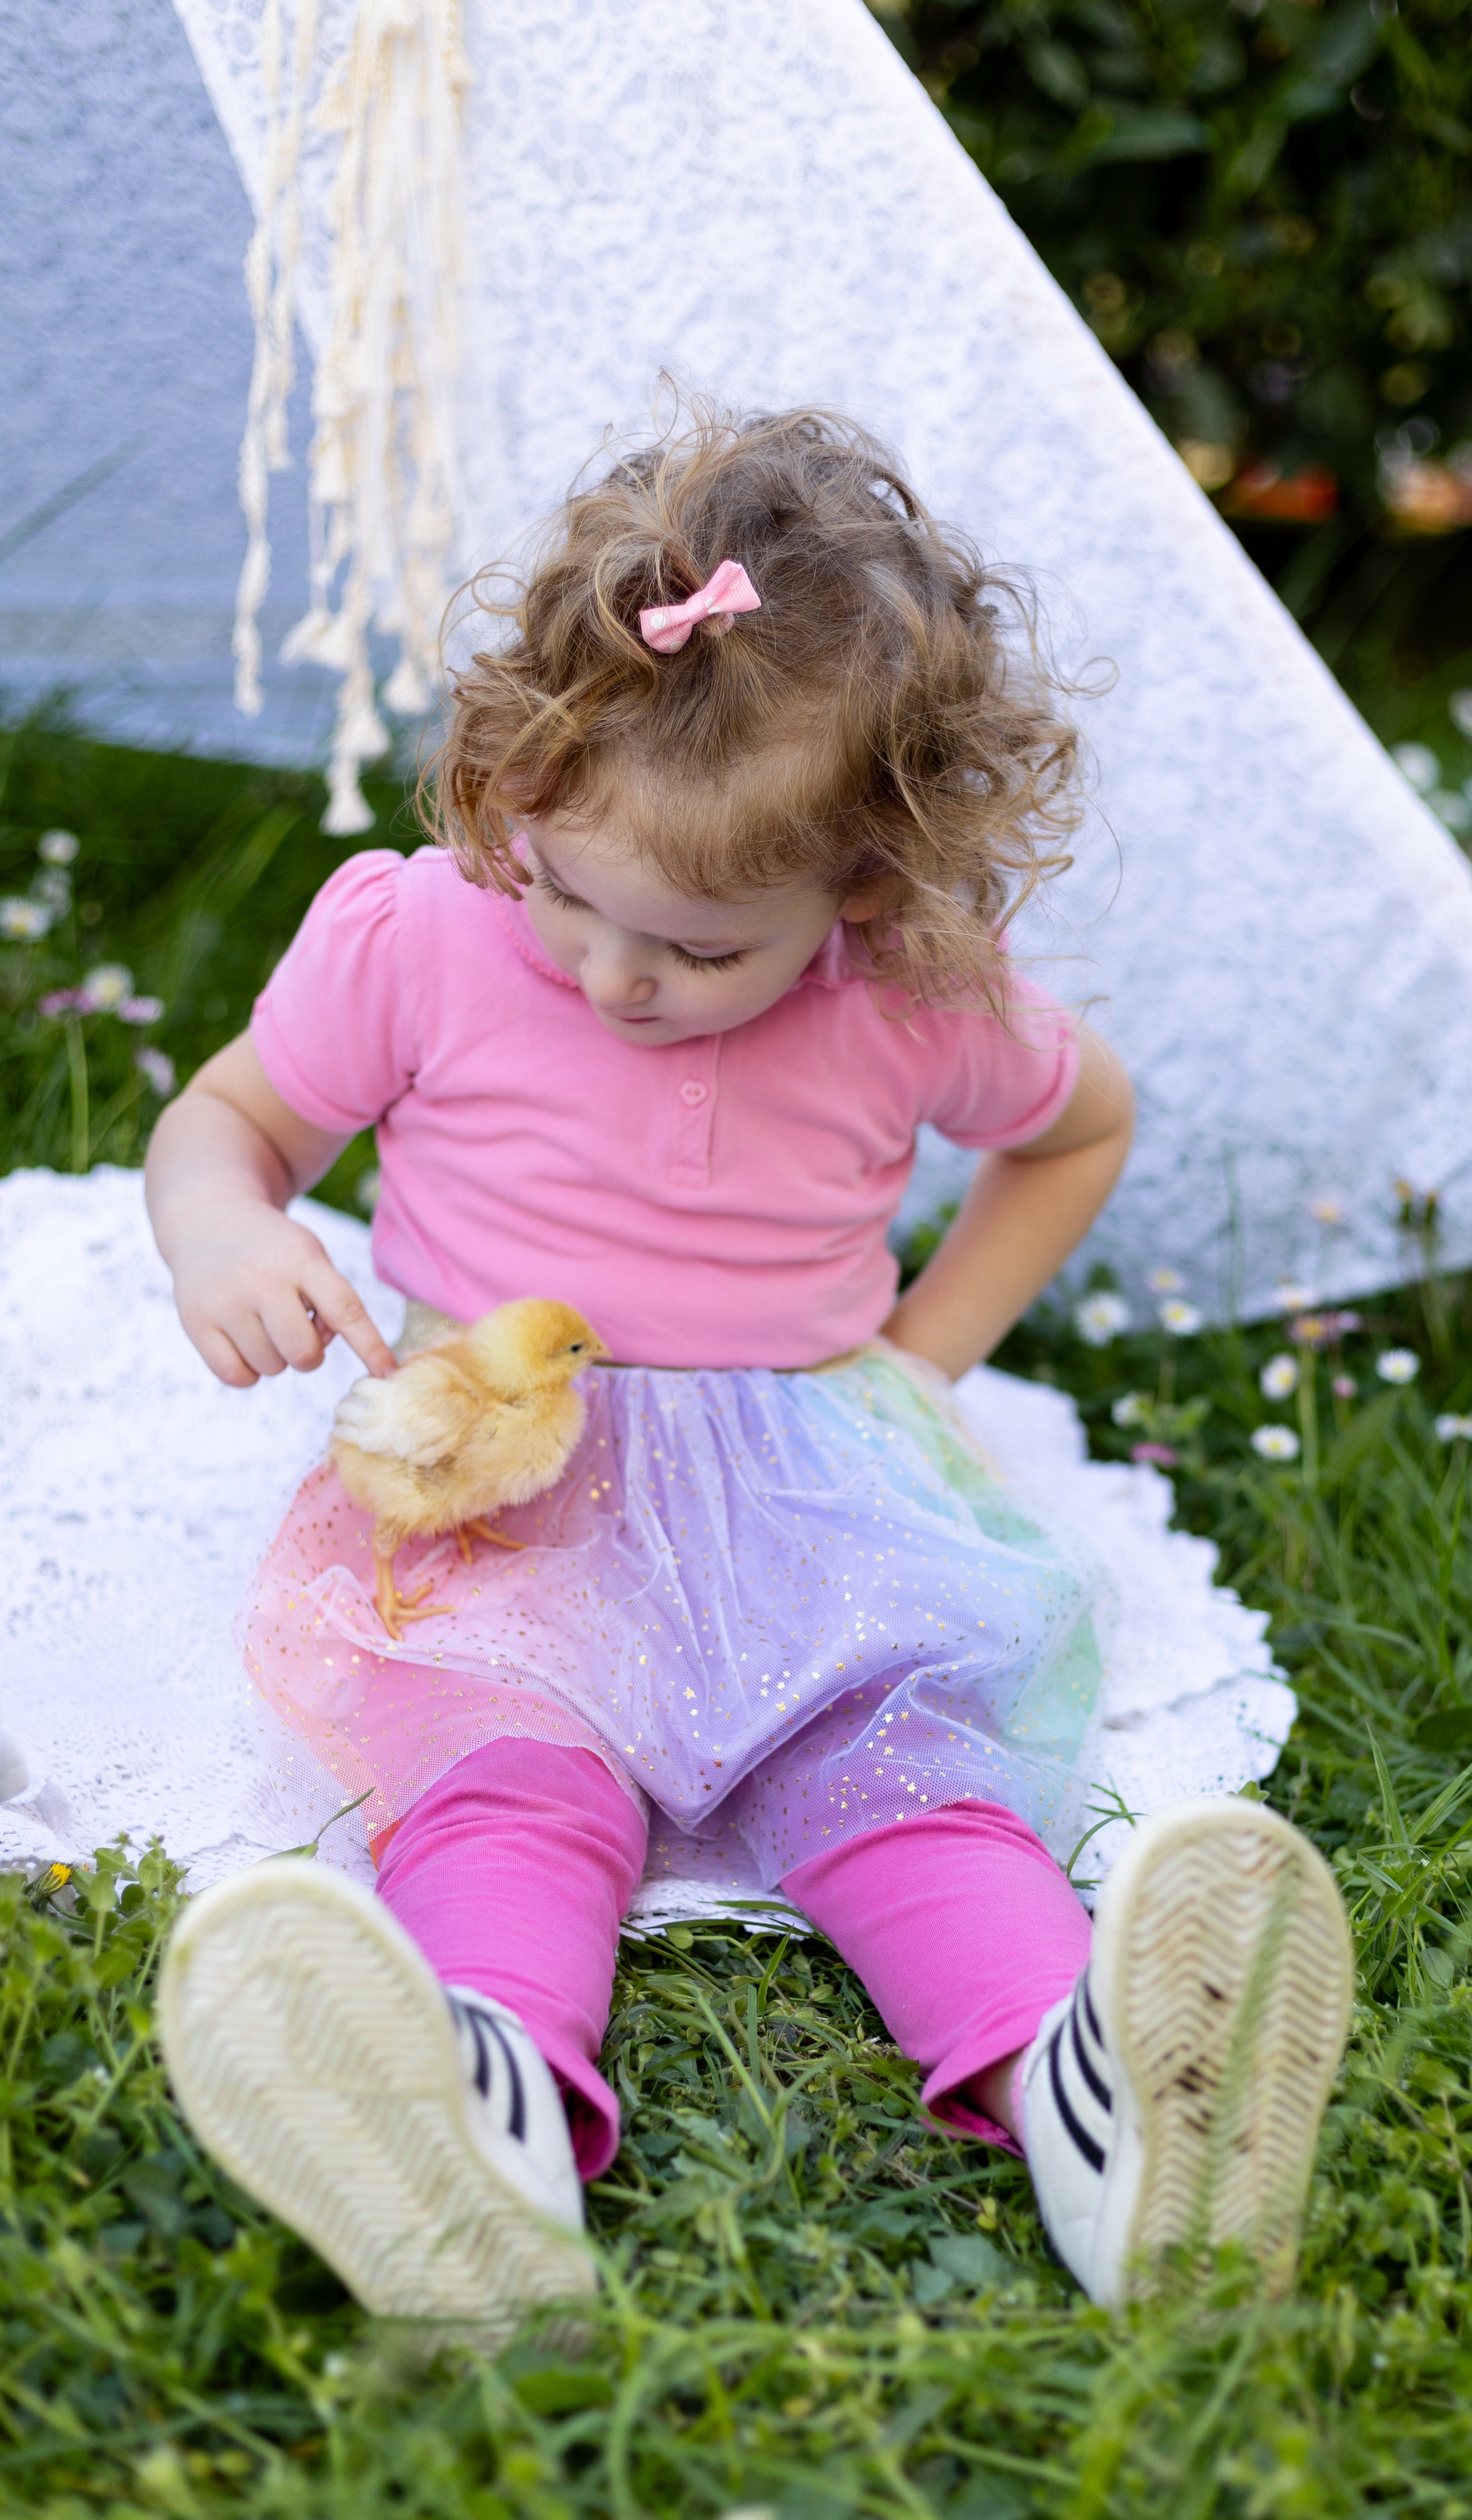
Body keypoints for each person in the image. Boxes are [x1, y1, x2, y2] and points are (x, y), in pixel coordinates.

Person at [146, 407, 1352, 2341]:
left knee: (899, 1781)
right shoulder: (423, 937)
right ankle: (489, 2118)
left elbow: (1079, 1128)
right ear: (512, 781)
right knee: (505, 1778)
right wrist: (226, 1231)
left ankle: (1106, 2106)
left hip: (803, 1495)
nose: (618, 976)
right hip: (512, 1482)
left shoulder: (904, 999)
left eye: (700, 950)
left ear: (862, 889)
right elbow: (233, 1123)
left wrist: (924, 1357)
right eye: (569, 894)